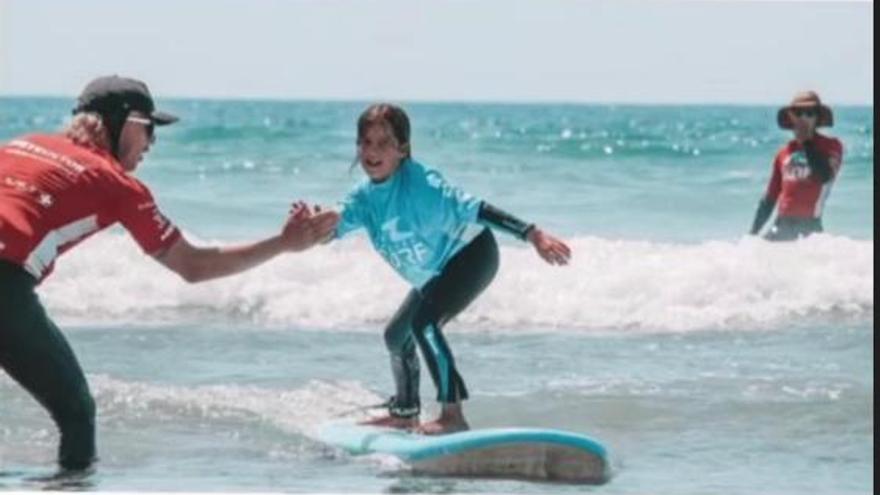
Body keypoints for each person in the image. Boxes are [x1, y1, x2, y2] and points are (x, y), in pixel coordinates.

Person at [0, 75, 339, 471]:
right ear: (123, 122)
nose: (152, 144)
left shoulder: (19, 145)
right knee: (76, 412)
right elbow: (193, 265)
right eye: (149, 129)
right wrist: (284, 243)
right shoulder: (118, 184)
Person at [316, 103, 571, 434]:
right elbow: (333, 224)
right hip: (433, 273)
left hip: (471, 253)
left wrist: (531, 233)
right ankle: (406, 411)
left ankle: (452, 415)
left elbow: (474, 207)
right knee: (396, 336)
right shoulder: (364, 198)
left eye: (383, 143)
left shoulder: (422, 184)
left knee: (424, 324)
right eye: (365, 142)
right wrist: (312, 224)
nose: (372, 152)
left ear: (402, 149)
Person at [749, 91, 844, 241]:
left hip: (809, 229)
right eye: (799, 113)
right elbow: (769, 199)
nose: (803, 118)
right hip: (780, 225)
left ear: (817, 118)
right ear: (791, 117)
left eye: (809, 113)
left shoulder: (831, 146)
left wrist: (806, 142)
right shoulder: (783, 153)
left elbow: (825, 175)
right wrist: (750, 237)